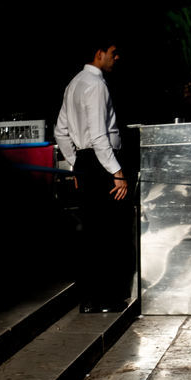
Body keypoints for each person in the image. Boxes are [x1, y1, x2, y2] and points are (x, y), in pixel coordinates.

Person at [54, 41, 134, 313]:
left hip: (85, 163)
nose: (117, 57)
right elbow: (100, 136)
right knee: (109, 232)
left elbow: (60, 132)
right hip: (102, 163)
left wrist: (76, 164)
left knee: (91, 231)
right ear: (99, 54)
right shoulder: (96, 84)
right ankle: (106, 298)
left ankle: (88, 299)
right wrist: (117, 172)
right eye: (113, 53)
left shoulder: (73, 84)